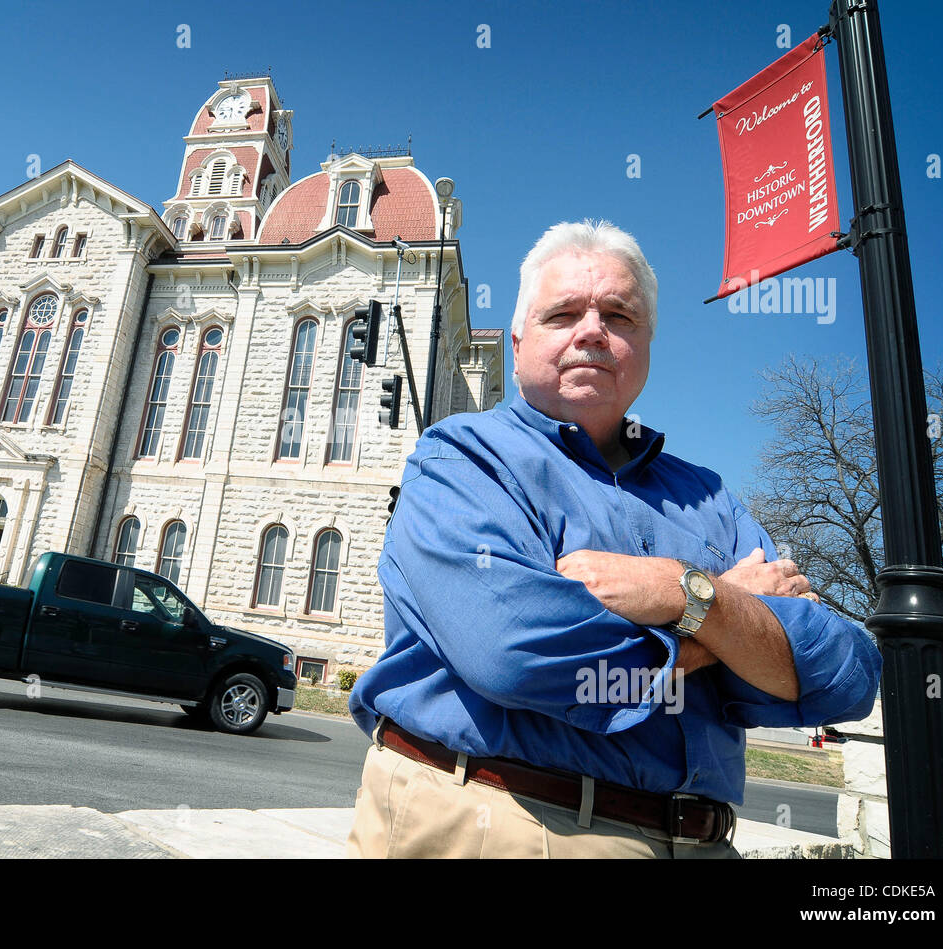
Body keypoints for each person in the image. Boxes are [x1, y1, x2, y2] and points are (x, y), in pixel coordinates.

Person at [346, 219, 882, 859]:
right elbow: (517, 654)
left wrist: (678, 592)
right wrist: (732, 624)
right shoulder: (460, 460)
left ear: (647, 343)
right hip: (505, 821)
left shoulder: (709, 497)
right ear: (517, 343)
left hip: (703, 841)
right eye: (563, 313)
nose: (592, 330)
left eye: (619, 316)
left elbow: (843, 672)